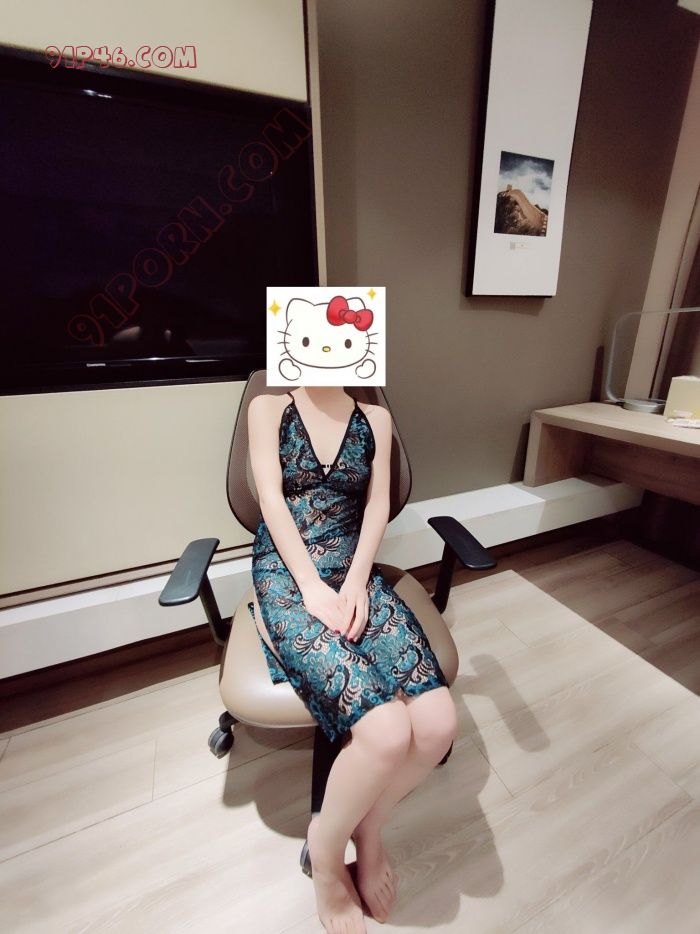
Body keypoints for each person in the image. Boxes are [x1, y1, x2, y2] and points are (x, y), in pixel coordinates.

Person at [248, 385, 457, 934]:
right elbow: (271, 499)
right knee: (386, 732)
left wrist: (358, 581)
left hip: (354, 572)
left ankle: (369, 829)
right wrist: (312, 588)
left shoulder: (376, 419)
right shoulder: (267, 408)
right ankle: (325, 852)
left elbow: (377, 505)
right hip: (288, 575)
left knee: (437, 725)